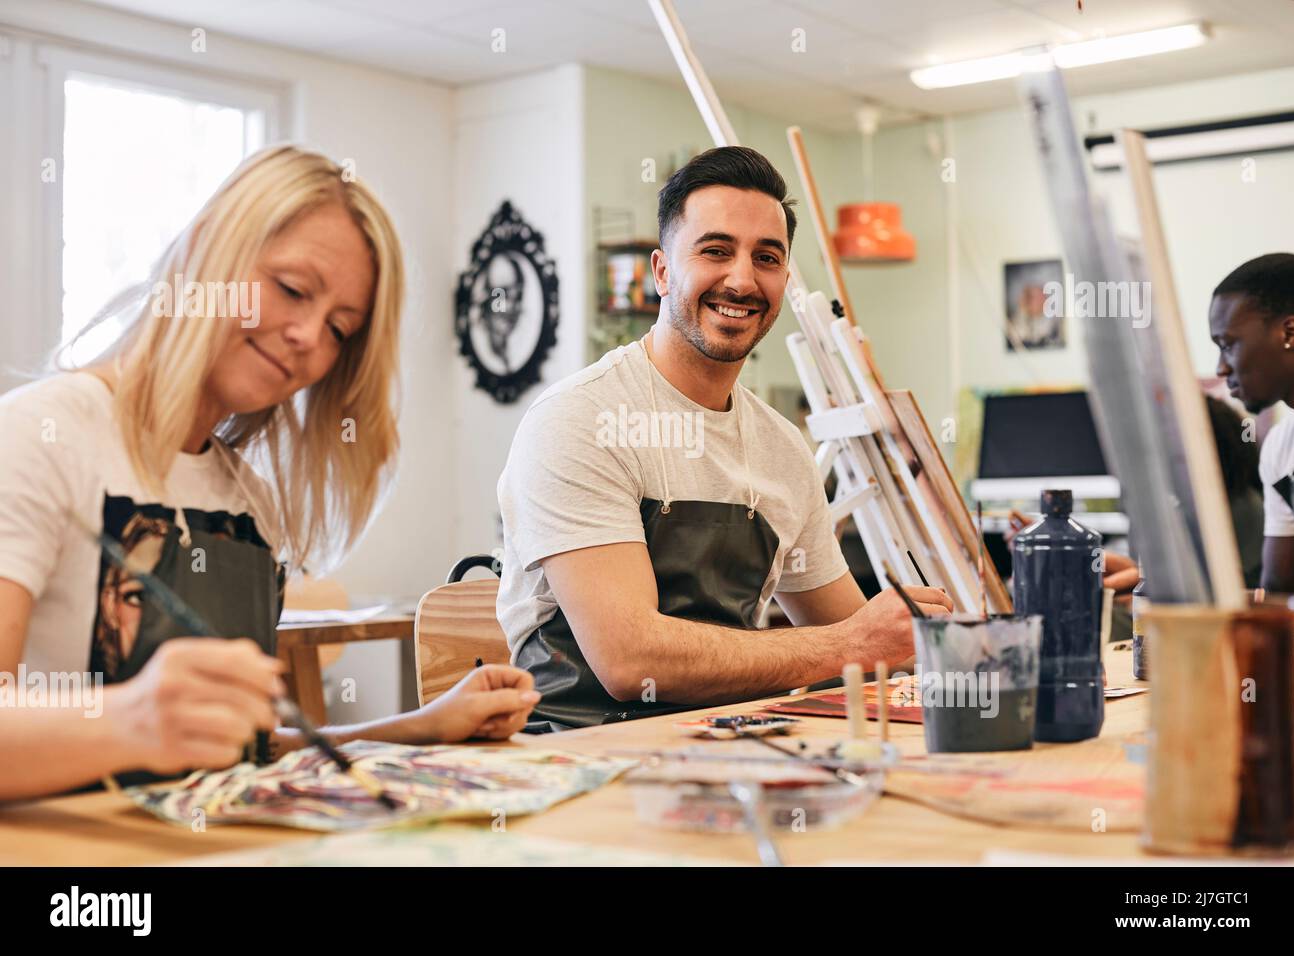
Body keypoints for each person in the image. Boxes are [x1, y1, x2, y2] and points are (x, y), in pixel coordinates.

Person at [0, 146, 537, 801]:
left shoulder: (247, 502)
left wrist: (421, 726)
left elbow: (240, 752)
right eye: (290, 290)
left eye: (341, 328)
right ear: (205, 249)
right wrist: (126, 721)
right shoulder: (38, 437)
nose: (310, 337)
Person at [497, 146, 951, 731]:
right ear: (661, 271)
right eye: (715, 251)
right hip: (581, 757)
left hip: (726, 750)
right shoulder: (579, 419)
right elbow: (630, 660)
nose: (741, 279)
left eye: (767, 258)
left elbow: (860, 634)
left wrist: (934, 640)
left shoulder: (783, 451)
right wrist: (850, 647)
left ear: (785, 281)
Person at [1208, 252, 1294, 592]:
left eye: (1228, 345)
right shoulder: (1281, 447)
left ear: (1290, 332)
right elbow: (1279, 591)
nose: (1221, 368)